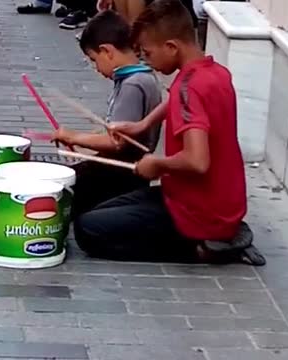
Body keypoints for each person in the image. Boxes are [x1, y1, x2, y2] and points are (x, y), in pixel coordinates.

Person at [75, 0, 264, 265]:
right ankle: (222, 234)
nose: (147, 61)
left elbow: (197, 161)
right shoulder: (214, 72)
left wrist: (157, 164)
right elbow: (176, 97)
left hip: (198, 212)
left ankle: (205, 248)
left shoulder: (189, 88)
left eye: (149, 53)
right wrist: (142, 125)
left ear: (172, 47)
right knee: (100, 210)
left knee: (87, 229)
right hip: (206, 200)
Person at [51, 10, 162, 218]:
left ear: (107, 51)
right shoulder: (141, 77)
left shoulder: (133, 84)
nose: (96, 67)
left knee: (58, 195)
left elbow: (117, 143)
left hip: (121, 175)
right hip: (123, 171)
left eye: (94, 60)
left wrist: (73, 136)